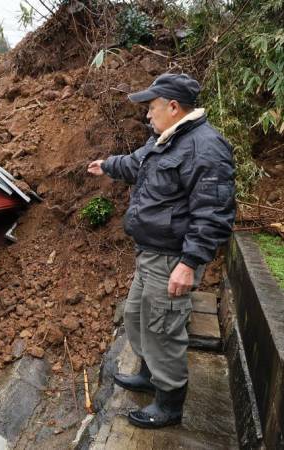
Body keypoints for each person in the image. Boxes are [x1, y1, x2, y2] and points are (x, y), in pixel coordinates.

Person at [87, 73, 236, 429]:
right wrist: (106, 165)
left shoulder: (205, 147)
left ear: (172, 106)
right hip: (150, 255)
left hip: (172, 259)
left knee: (163, 329)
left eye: (152, 107)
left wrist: (189, 263)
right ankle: (150, 374)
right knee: (138, 318)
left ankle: (169, 404)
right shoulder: (167, 140)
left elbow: (214, 212)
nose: (147, 115)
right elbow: (136, 164)